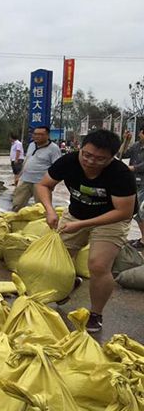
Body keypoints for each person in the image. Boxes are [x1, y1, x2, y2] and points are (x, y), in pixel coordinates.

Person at [36, 129, 137, 333]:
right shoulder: (69, 161)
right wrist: (49, 210)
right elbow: (44, 185)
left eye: (100, 159)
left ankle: (96, 313)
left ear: (112, 157)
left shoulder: (121, 174)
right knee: (57, 258)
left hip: (110, 219)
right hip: (76, 213)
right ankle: (69, 282)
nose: (91, 162)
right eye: (87, 155)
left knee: (98, 265)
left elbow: (123, 212)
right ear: (81, 148)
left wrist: (82, 225)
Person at [11, 126, 62, 212]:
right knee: (17, 204)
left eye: (40, 134)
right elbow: (27, 160)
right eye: (35, 134)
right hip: (26, 180)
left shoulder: (54, 148)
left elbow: (57, 168)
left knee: (41, 209)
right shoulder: (31, 145)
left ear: (47, 135)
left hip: (41, 183)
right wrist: (18, 176)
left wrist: (51, 184)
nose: (37, 136)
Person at [121, 128, 144, 249]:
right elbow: (122, 154)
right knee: (137, 213)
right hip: (135, 182)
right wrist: (125, 140)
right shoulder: (136, 146)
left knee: (141, 211)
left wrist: (133, 168)